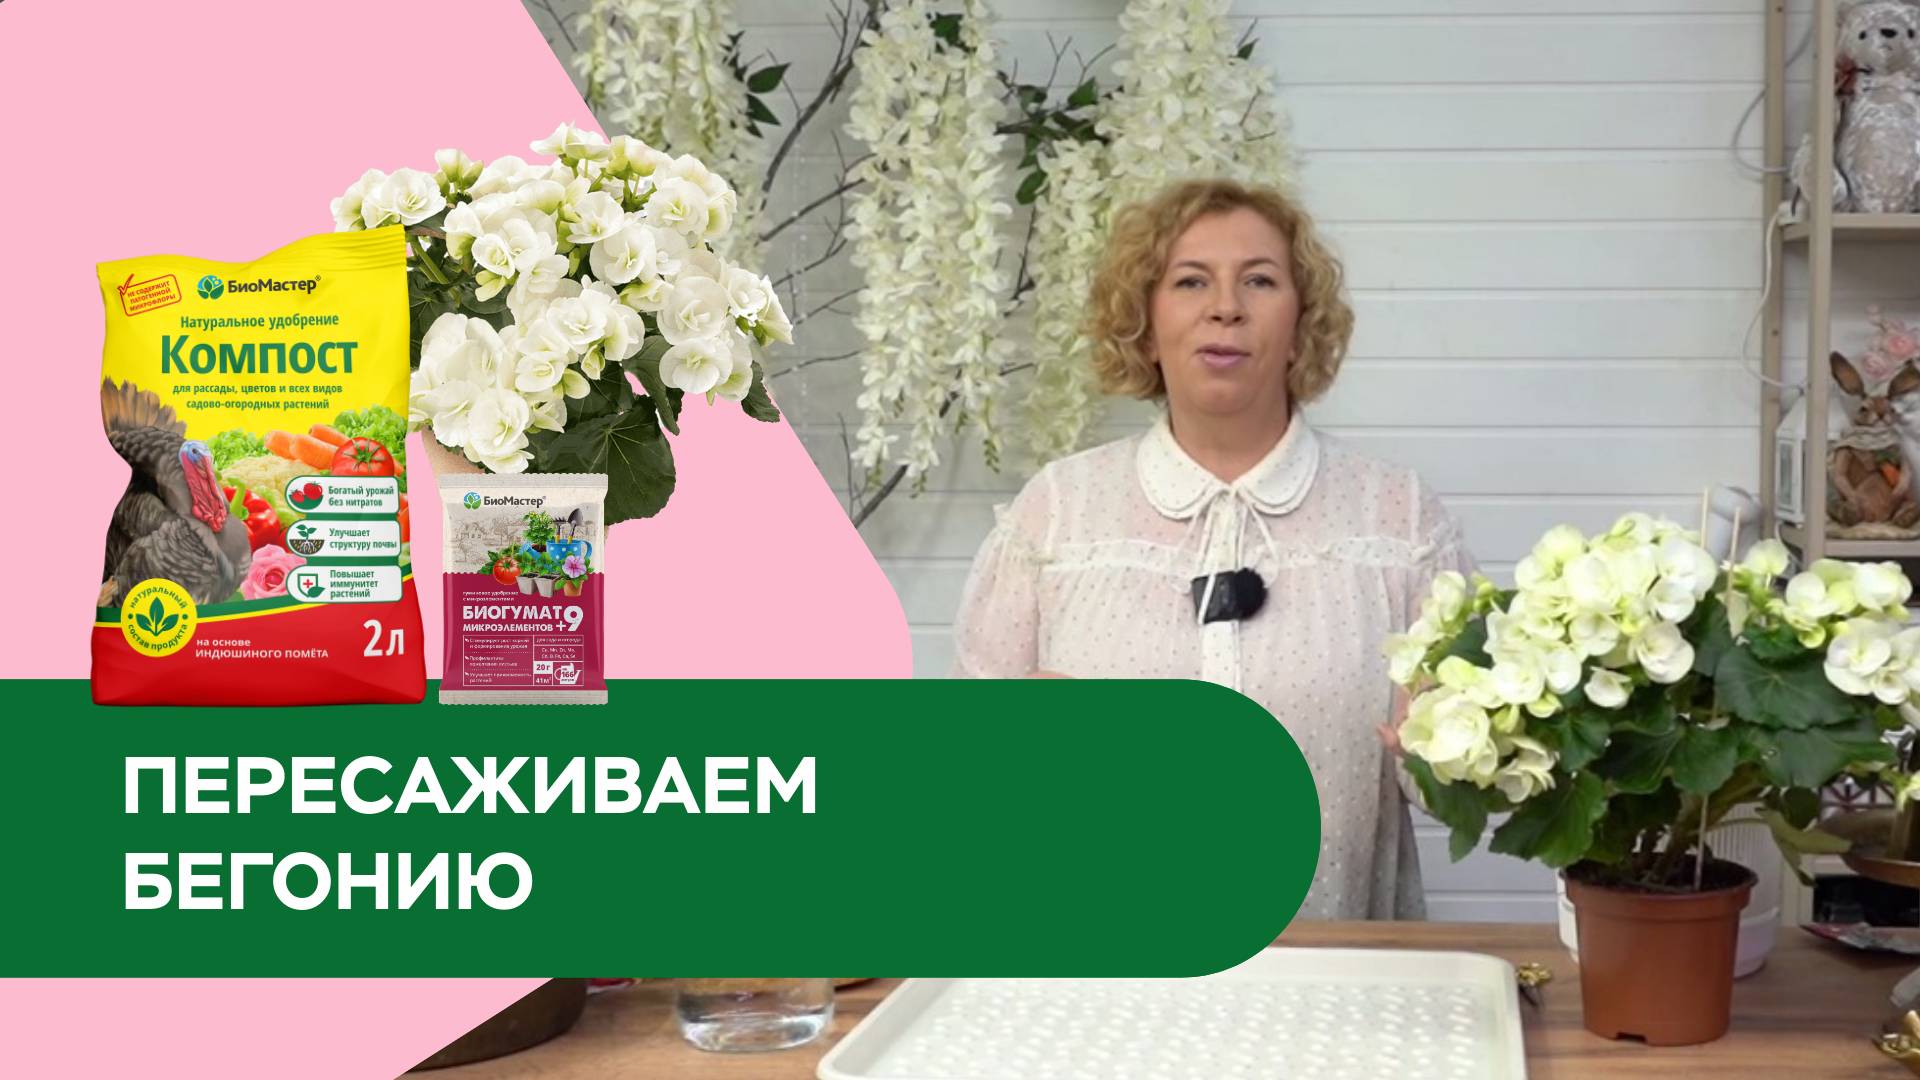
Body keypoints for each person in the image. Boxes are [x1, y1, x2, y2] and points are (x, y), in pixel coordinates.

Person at [951, 178, 1473, 919]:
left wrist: (1448, 753)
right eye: (1191, 281)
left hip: (1332, 969)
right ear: (1145, 325)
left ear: (1302, 323)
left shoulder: (1399, 518)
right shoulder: (1056, 514)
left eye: (1259, 280)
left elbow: (1469, 789)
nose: (1225, 307)